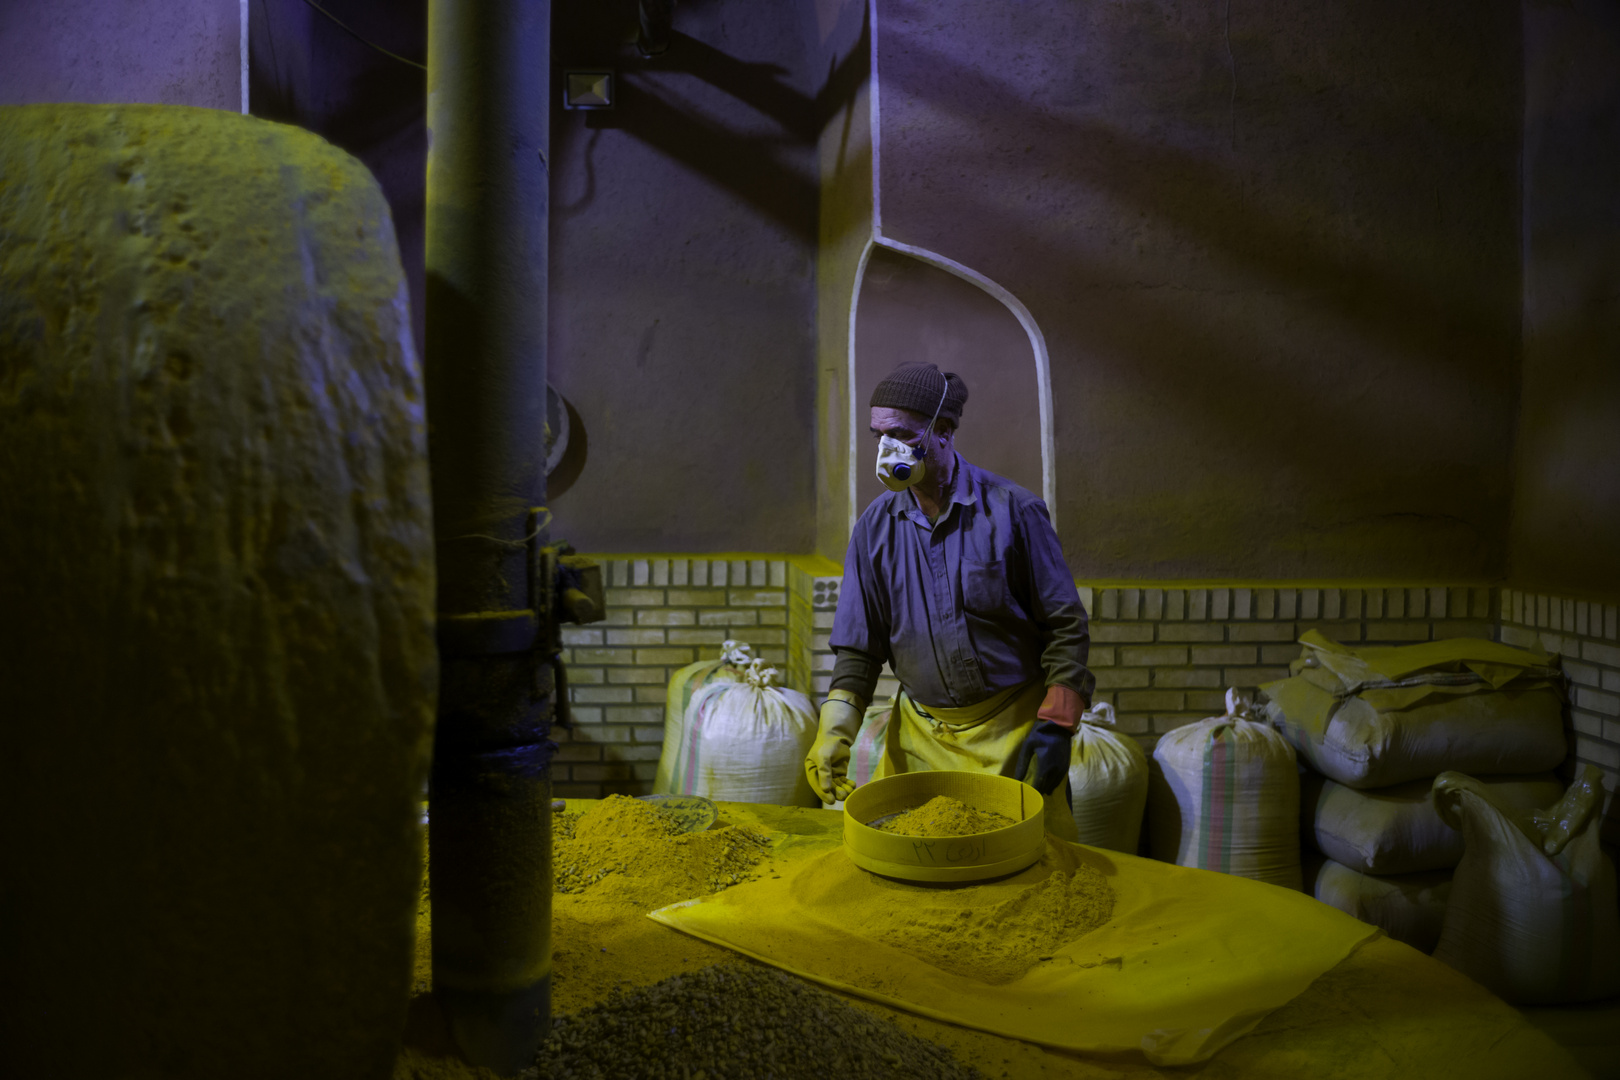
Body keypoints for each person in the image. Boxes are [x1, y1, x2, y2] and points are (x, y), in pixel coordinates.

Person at [805, 361, 1094, 838]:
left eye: (900, 433)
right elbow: (860, 647)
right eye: (878, 434)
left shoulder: (1014, 512)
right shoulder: (875, 529)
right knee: (914, 876)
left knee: (1021, 879)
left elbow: (1066, 627)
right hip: (920, 740)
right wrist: (835, 729)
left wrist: (1058, 723)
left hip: (1014, 738)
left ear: (942, 431)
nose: (885, 449)